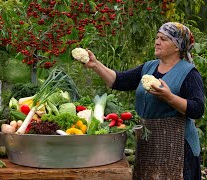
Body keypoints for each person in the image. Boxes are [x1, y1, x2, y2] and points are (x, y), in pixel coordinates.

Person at [84, 22, 204, 179]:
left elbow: (197, 109)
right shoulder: (149, 67)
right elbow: (119, 81)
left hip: (178, 147)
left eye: (163, 39)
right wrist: (95, 65)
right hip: (148, 143)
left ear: (177, 47)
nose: (157, 41)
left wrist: (169, 97)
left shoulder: (189, 73)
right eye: (157, 37)